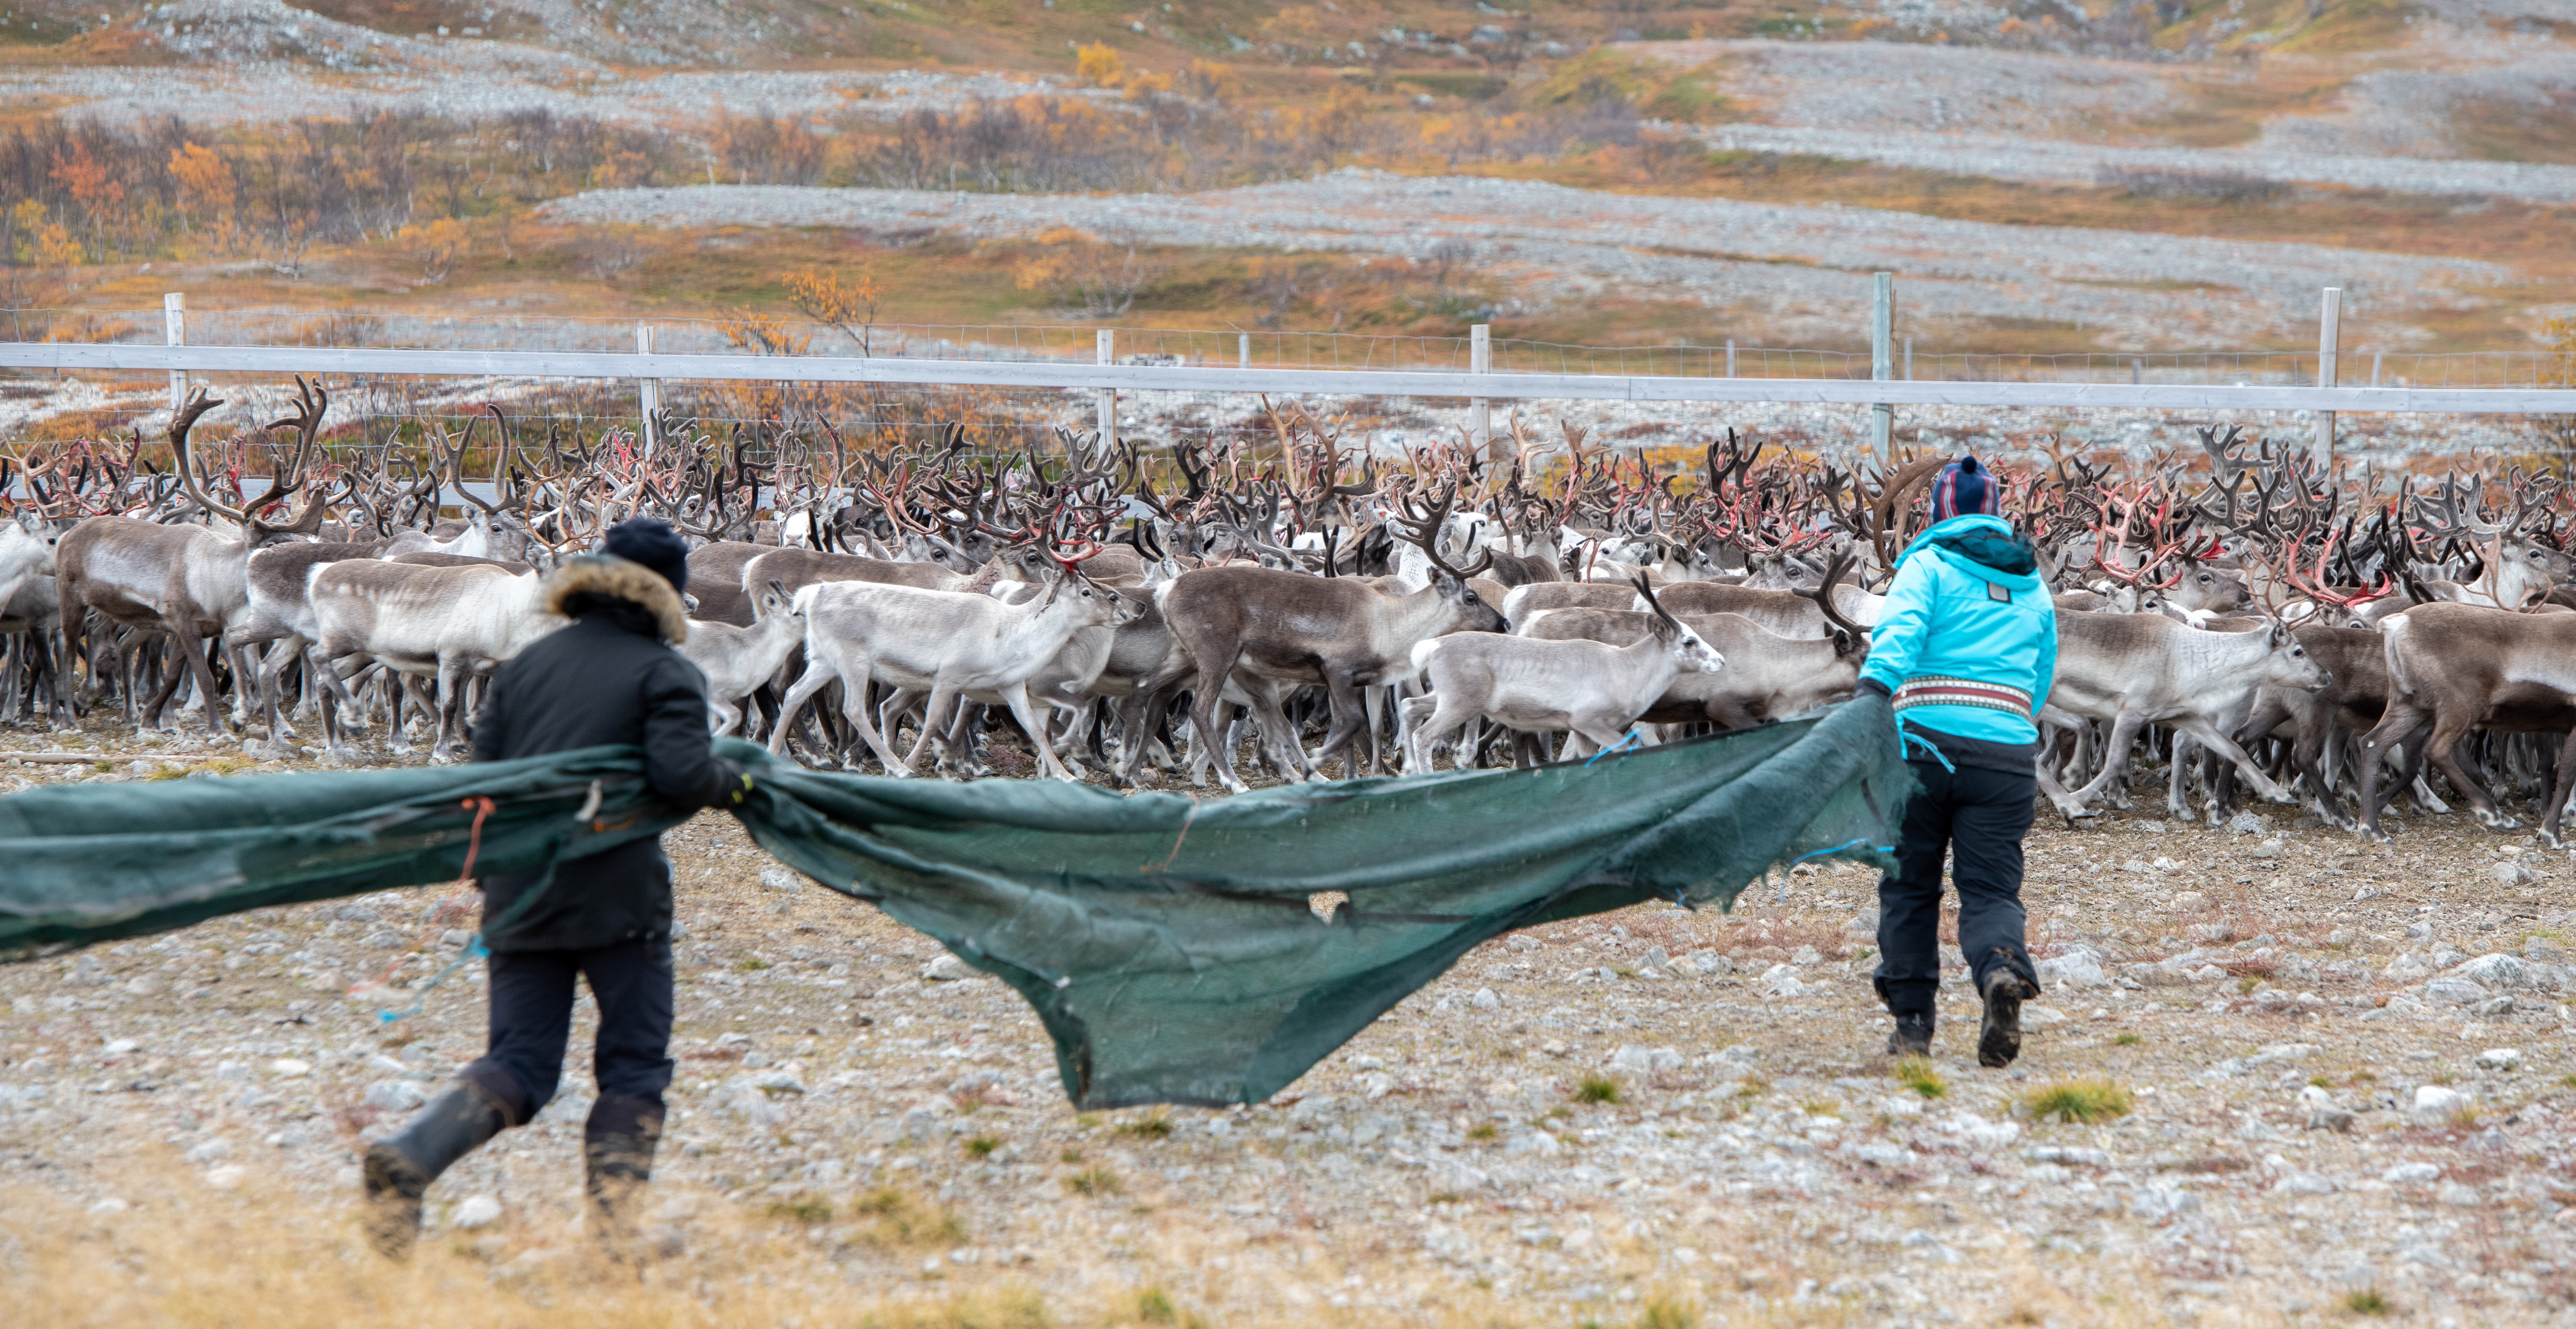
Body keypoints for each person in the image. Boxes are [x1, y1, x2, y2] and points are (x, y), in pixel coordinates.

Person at [362, 518, 749, 1259]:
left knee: (520, 1061)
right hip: (618, 900)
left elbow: (485, 779)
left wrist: (492, 879)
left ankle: (411, 1157)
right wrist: (739, 775)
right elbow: (682, 776)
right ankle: (612, 1245)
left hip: (519, 893)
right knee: (634, 1065)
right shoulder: (664, 670)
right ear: (667, 593)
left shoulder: (525, 664)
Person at [1854, 456, 2057, 1068]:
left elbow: (1901, 632)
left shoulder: (1928, 565)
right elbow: (2042, 675)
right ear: (1995, 511)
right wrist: (2009, 726)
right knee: (1992, 888)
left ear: (1939, 510)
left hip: (1921, 749)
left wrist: (1873, 691)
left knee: (1910, 885)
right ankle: (2001, 969)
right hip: (2005, 758)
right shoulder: (2033, 584)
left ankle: (1914, 1025)